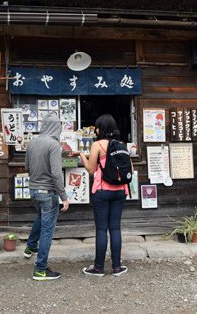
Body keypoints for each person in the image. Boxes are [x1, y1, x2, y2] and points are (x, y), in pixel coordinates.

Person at [78, 114, 131, 277]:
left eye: (97, 127)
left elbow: (91, 170)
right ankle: (117, 267)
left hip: (102, 191)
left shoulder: (97, 145)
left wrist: (81, 155)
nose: (96, 130)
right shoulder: (121, 144)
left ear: (101, 129)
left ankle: (98, 268)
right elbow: (131, 169)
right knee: (115, 228)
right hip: (120, 191)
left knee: (102, 229)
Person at [24, 113, 70, 281]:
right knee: (47, 231)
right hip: (48, 192)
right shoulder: (53, 145)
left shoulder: (32, 143)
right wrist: (64, 196)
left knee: (41, 219)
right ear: (57, 128)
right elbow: (57, 174)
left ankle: (30, 247)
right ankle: (40, 269)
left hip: (33, 190)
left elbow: (27, 166)